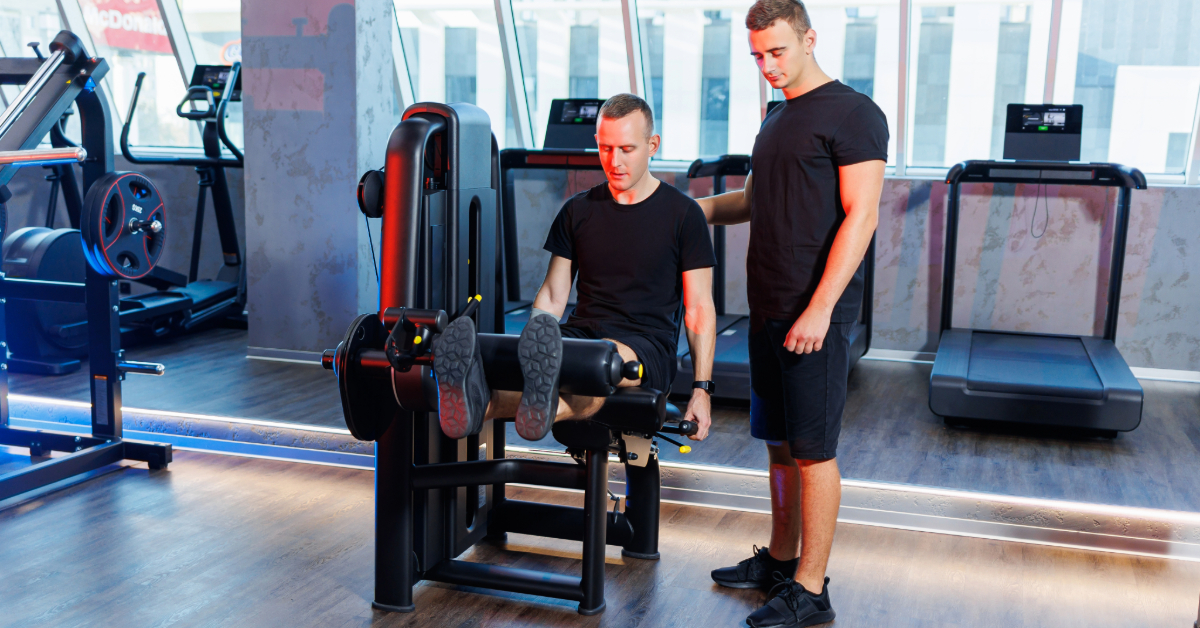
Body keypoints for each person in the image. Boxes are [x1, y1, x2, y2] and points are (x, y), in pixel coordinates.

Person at [699, 1, 887, 627]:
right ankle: (780, 561)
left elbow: (862, 216)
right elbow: (753, 200)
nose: (767, 65)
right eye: (756, 55)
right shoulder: (777, 117)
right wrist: (683, 210)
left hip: (815, 315)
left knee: (813, 452)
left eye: (777, 51)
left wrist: (821, 308)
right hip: (768, 308)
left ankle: (811, 589)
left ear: (809, 38)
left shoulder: (854, 113)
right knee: (778, 446)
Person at [433, 93, 717, 446]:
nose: (615, 161)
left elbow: (699, 309)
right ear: (596, 143)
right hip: (579, 335)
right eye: (606, 148)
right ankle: (480, 402)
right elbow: (553, 294)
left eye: (627, 149)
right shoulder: (577, 210)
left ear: (652, 145)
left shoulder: (684, 214)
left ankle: (505, 396)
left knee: (598, 363)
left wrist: (701, 389)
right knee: (552, 359)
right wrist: (533, 336)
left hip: (645, 347)